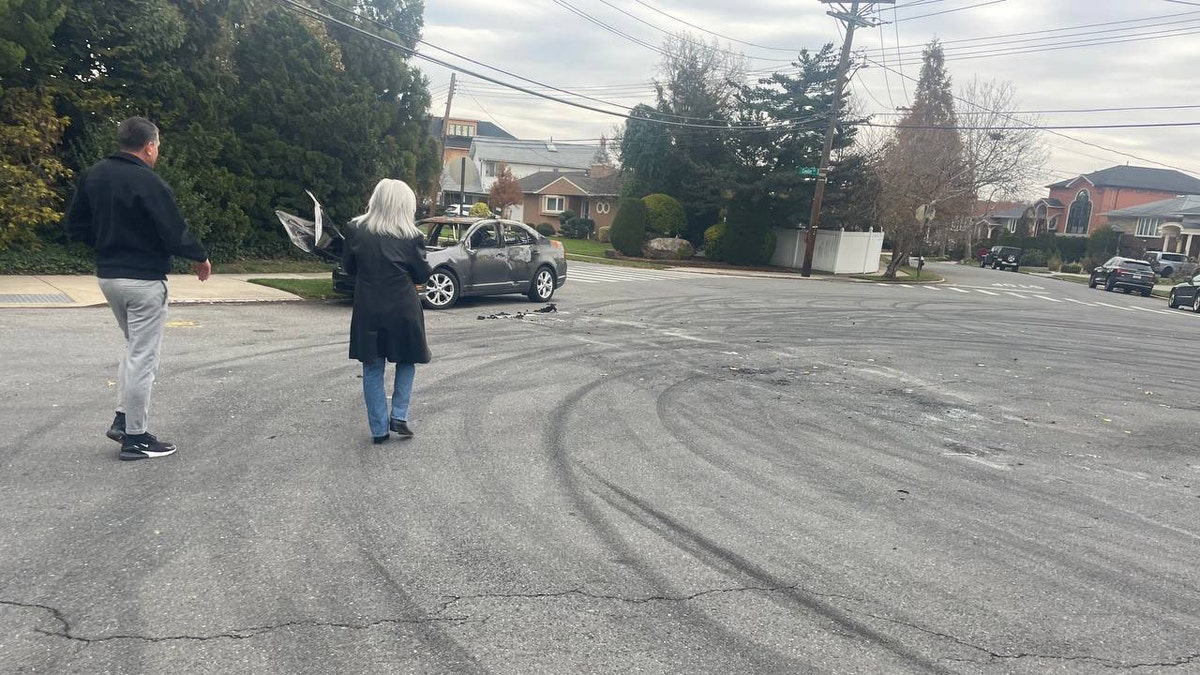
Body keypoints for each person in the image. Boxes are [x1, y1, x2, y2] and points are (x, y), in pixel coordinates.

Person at [62, 117, 211, 461]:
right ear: (149, 146)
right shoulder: (148, 182)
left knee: (133, 348)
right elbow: (173, 229)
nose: (157, 152)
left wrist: (103, 244)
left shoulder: (95, 174)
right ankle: (136, 438)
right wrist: (199, 257)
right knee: (144, 356)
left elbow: (76, 225)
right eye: (157, 146)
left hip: (108, 276)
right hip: (143, 279)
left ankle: (121, 418)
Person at [343, 179, 433, 444]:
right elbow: (422, 274)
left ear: (376, 199)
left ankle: (379, 429)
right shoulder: (411, 236)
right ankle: (400, 415)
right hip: (403, 307)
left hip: (368, 308)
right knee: (407, 360)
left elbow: (349, 268)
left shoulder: (355, 230)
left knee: (372, 367)